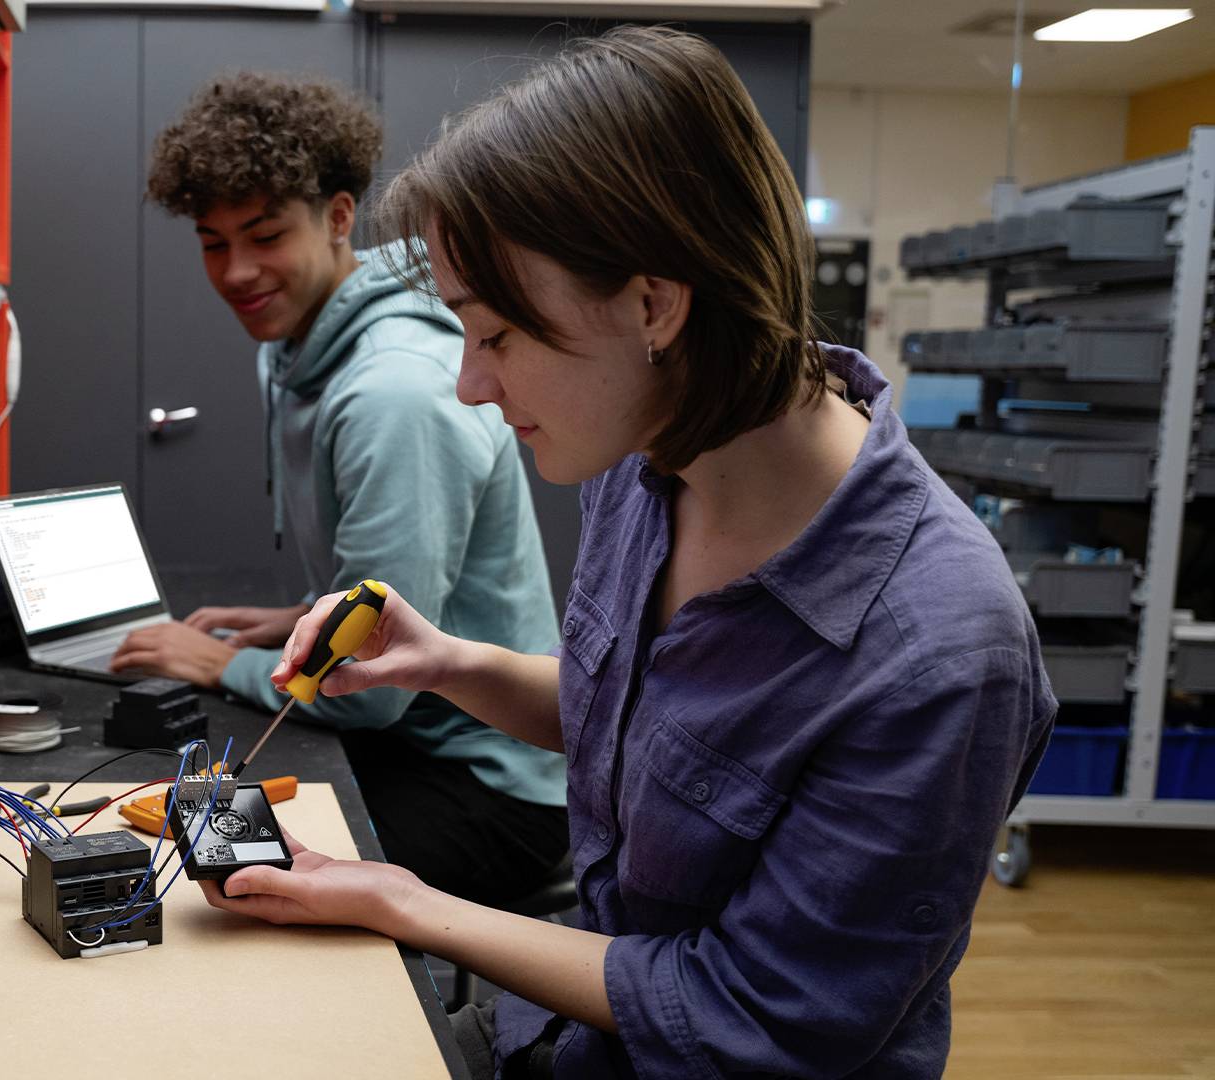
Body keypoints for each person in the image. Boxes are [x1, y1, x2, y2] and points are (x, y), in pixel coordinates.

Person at [202, 27, 1056, 1079]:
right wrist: (450, 663)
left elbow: (756, 1018)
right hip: (559, 1043)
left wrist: (403, 901)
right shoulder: (652, 451)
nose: (470, 384)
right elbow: (645, 721)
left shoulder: (940, 651)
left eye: (497, 336)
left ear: (653, 306)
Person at [108, 71, 570, 908]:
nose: (238, 271)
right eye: (214, 243)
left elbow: (373, 698)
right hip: (408, 736)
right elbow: (392, 600)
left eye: (265, 234)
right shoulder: (295, 351)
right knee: (188, 825)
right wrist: (294, 624)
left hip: (484, 785)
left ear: (339, 217)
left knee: (211, 879)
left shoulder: (393, 392)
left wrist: (220, 664)